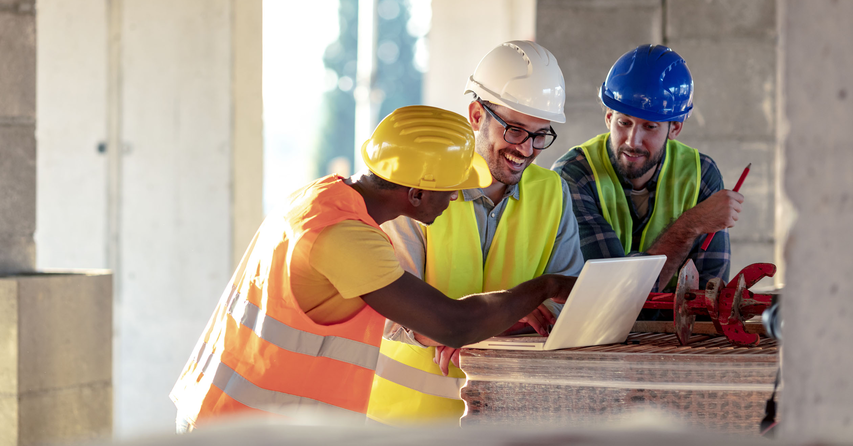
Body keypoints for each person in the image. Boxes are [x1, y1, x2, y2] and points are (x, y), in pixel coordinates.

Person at [169, 105, 576, 432]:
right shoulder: (346, 239)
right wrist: (546, 286)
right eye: (451, 187)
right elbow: (451, 324)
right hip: (239, 427)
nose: (456, 197)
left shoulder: (323, 197)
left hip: (234, 417)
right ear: (416, 193)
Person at [367, 41, 586, 426]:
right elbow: (396, 317)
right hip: (410, 421)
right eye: (515, 130)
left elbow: (565, 305)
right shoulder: (417, 184)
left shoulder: (553, 192)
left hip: (508, 416)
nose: (527, 149)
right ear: (475, 114)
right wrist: (513, 311)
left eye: (541, 135)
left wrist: (486, 324)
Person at [552, 44, 741, 299]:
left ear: (675, 128)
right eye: (624, 122)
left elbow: (710, 299)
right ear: (608, 117)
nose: (632, 140)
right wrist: (690, 225)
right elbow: (613, 295)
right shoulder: (574, 175)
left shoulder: (701, 175)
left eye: (650, 126)